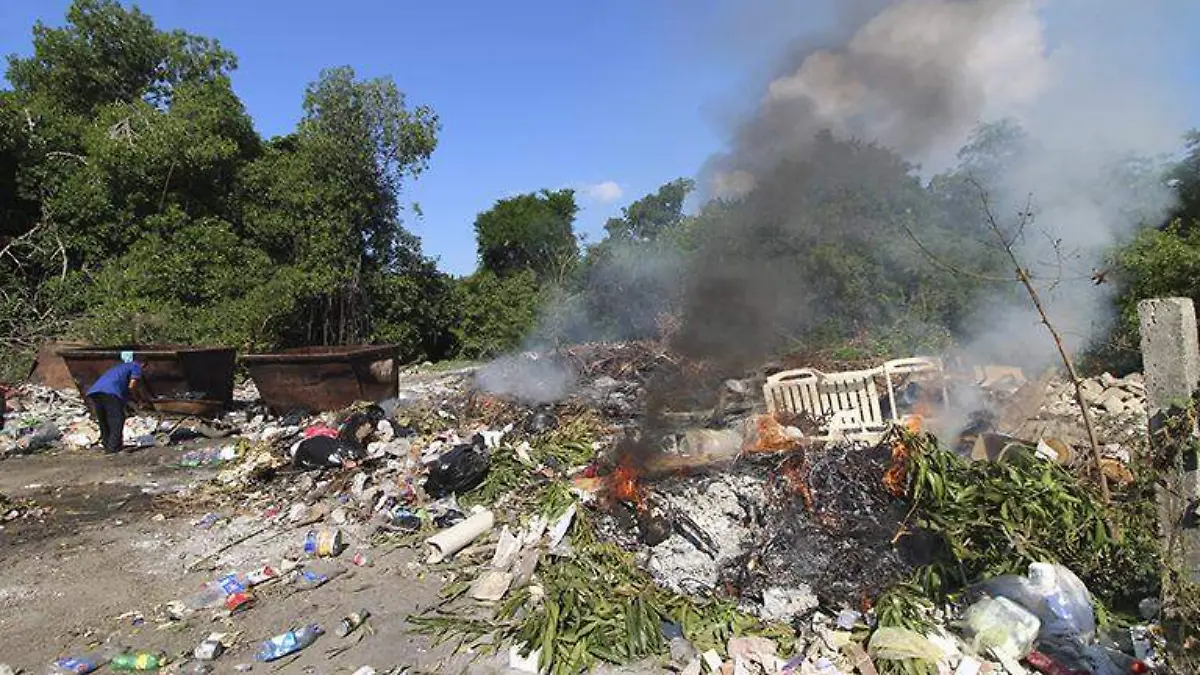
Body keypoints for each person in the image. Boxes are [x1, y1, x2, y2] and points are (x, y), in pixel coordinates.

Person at [86, 351, 145, 453]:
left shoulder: (120, 367)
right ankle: (114, 448)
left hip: (95, 391)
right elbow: (132, 386)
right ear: (143, 363)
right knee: (117, 419)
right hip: (110, 392)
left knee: (104, 419)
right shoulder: (136, 366)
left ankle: (107, 445)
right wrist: (137, 399)